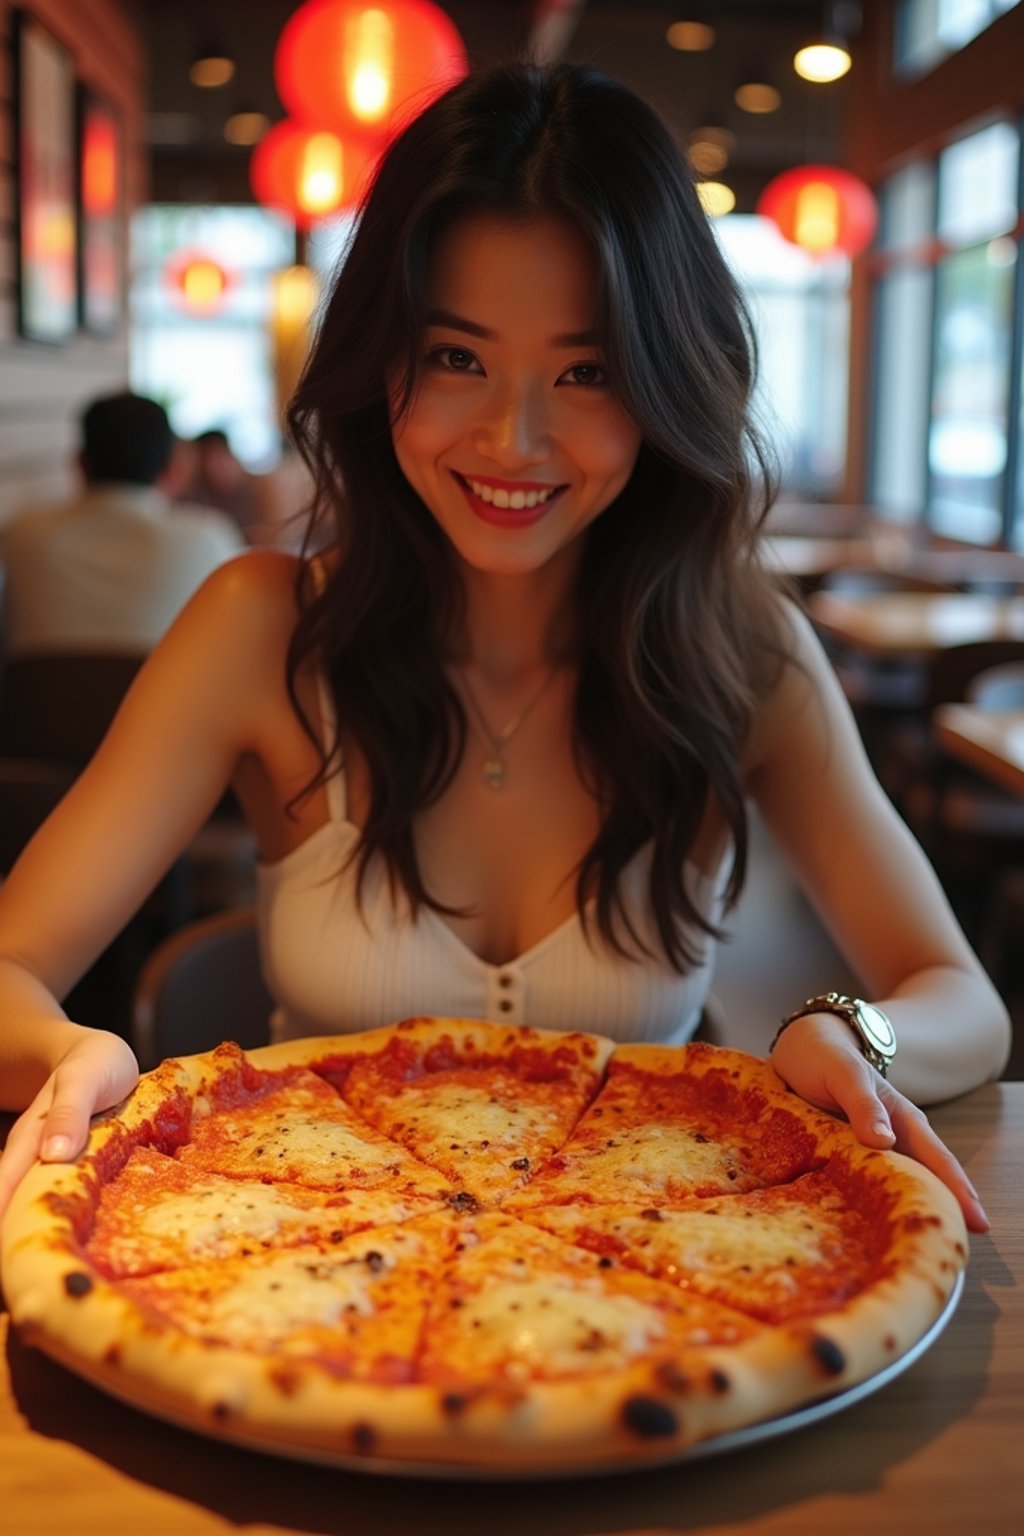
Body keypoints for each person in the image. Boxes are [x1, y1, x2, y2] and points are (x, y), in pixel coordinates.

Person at [0, 62, 1009, 1227]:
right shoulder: (261, 630)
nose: (512, 438)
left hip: (650, 1304)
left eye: (585, 372)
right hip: (286, 1283)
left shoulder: (744, 653)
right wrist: (68, 1052)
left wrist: (851, 1032)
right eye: (456, 358)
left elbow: (962, 1002)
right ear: (384, 365)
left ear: (664, 383)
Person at [0, 393, 245, 655]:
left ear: (80, 465)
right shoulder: (209, 541)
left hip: (40, 696)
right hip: (167, 697)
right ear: (172, 469)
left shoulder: (22, 536)